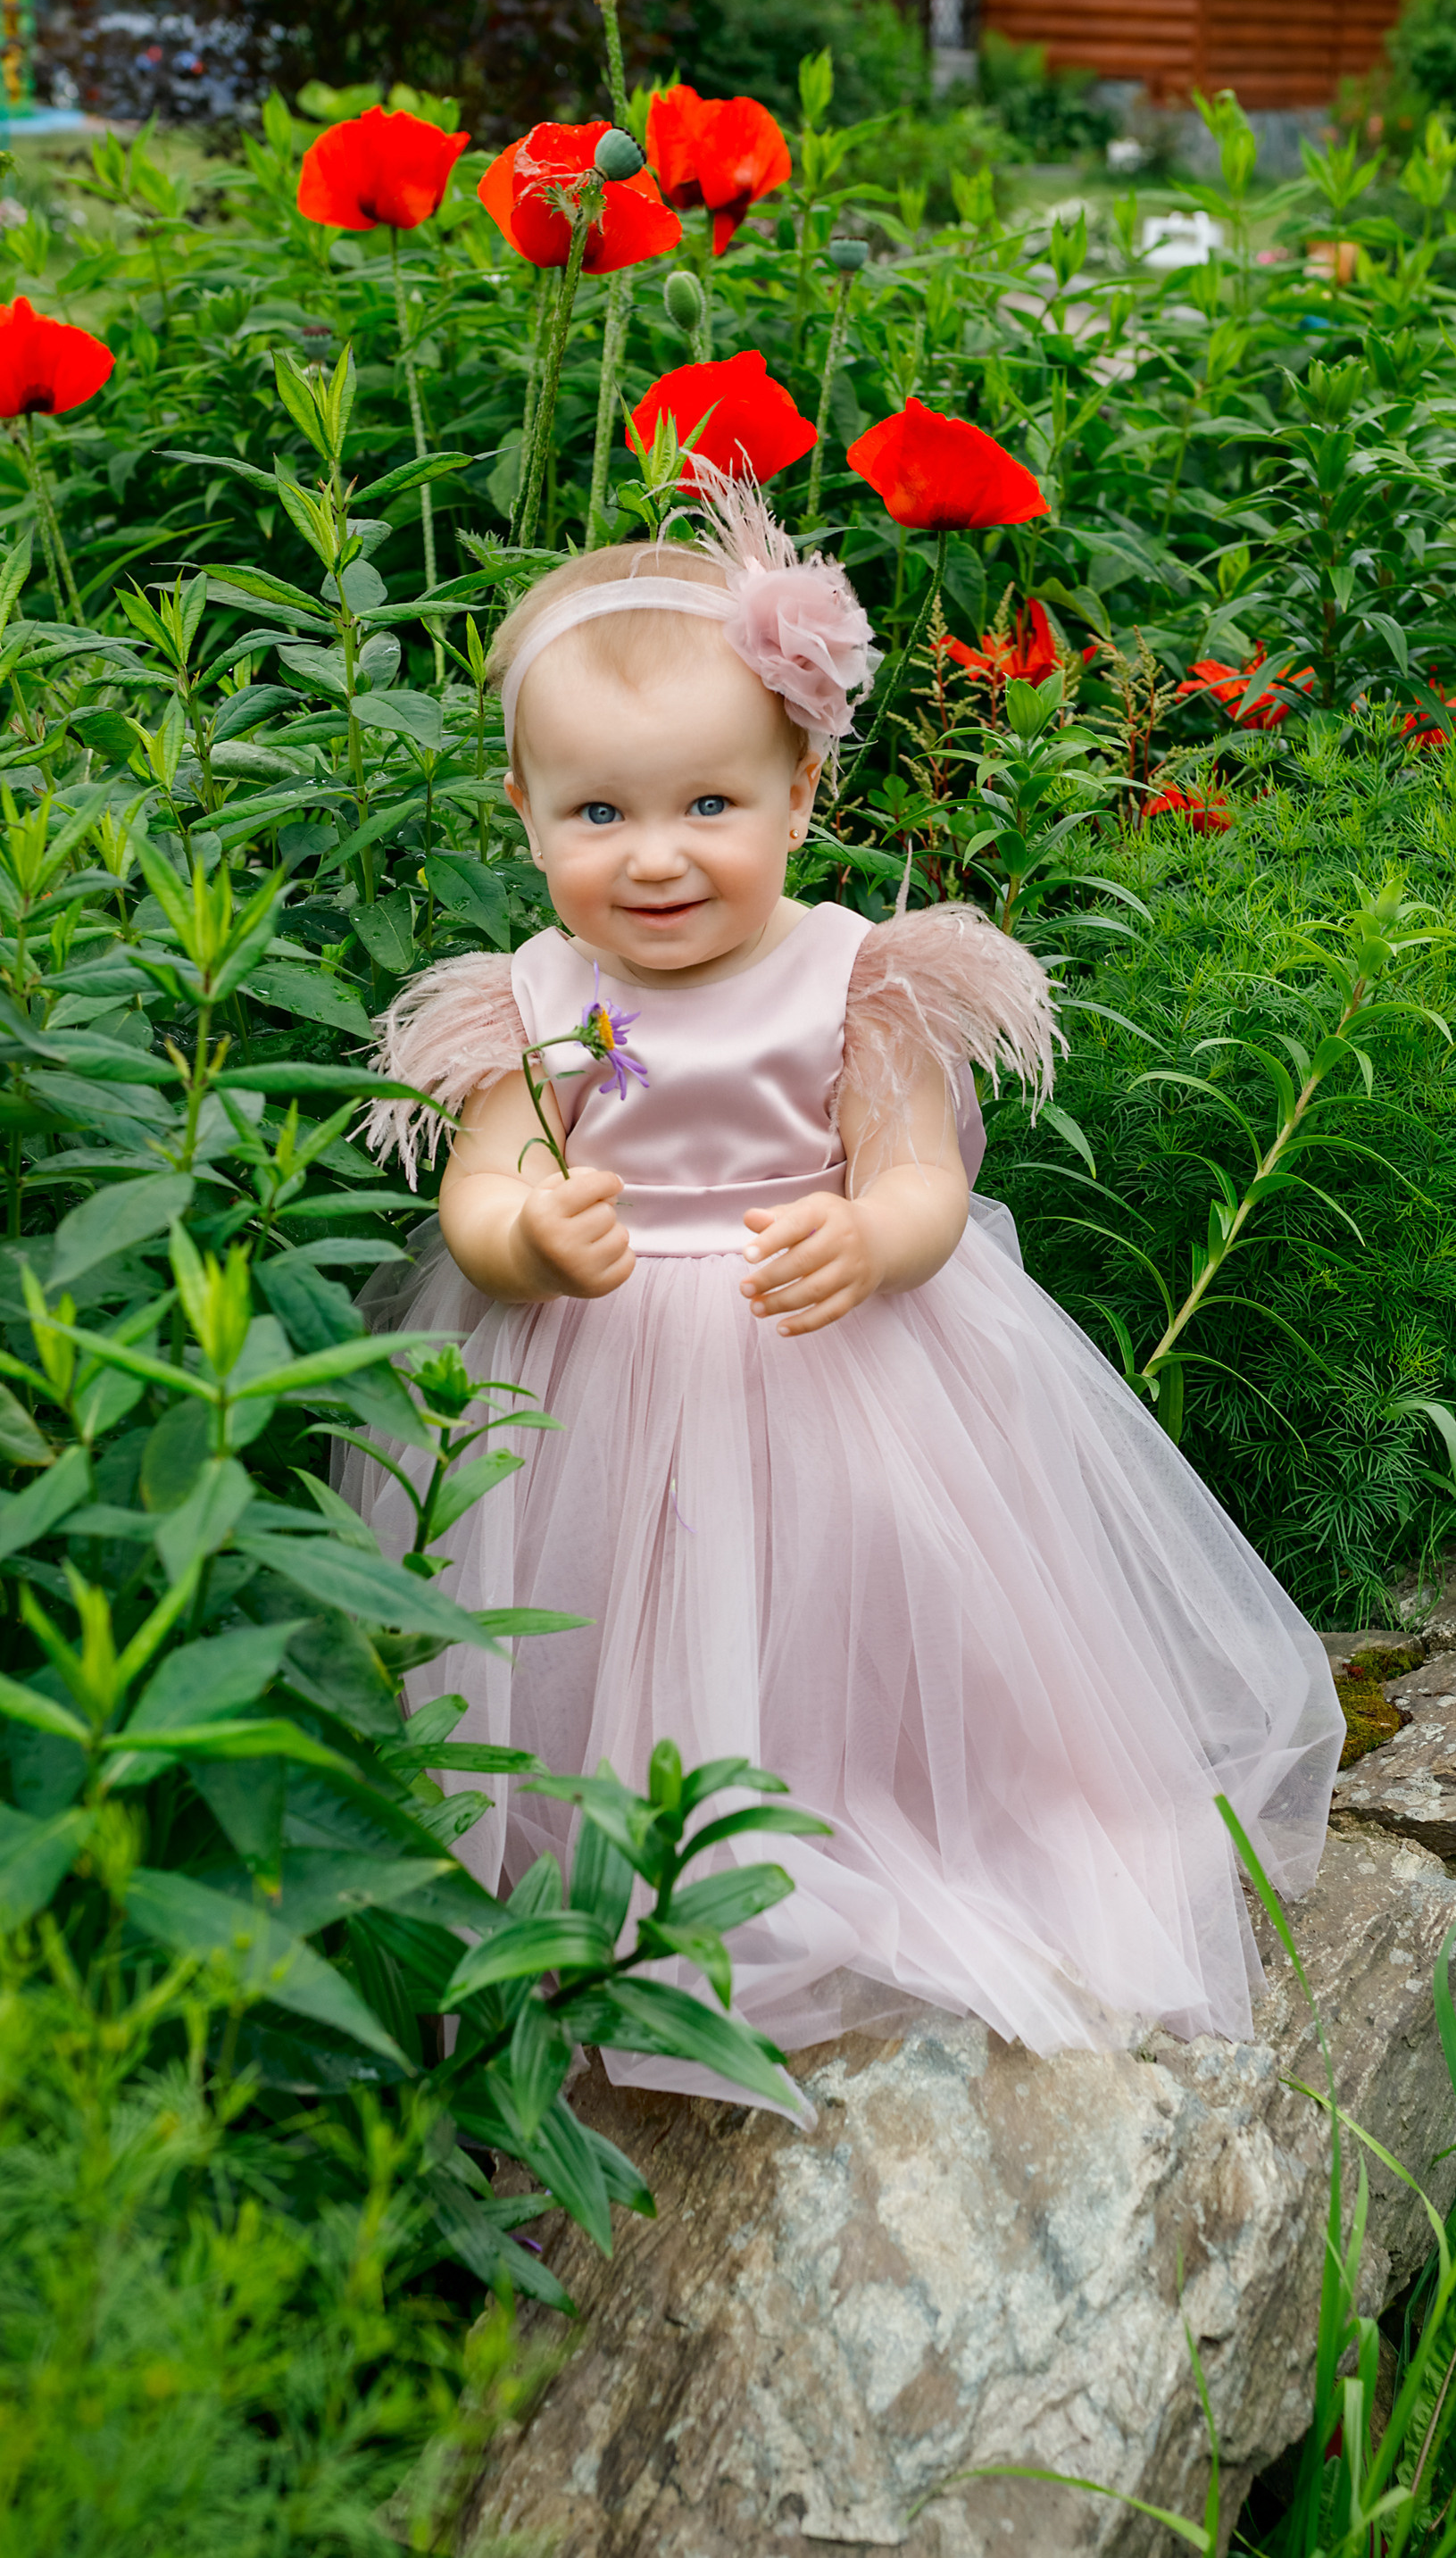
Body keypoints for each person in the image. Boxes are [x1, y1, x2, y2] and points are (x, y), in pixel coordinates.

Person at [349, 481, 1344, 2115]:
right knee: (599, 1635)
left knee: (860, 1591)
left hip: (828, 1347)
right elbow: (493, 1173)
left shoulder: (848, 978)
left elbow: (915, 1179)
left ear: (800, 792)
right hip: (590, 1373)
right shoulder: (557, 1006)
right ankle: (601, 1903)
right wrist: (525, 1236)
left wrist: (875, 1241)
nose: (655, 858)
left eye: (709, 806)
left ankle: (882, 1821)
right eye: (597, 815)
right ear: (525, 806)